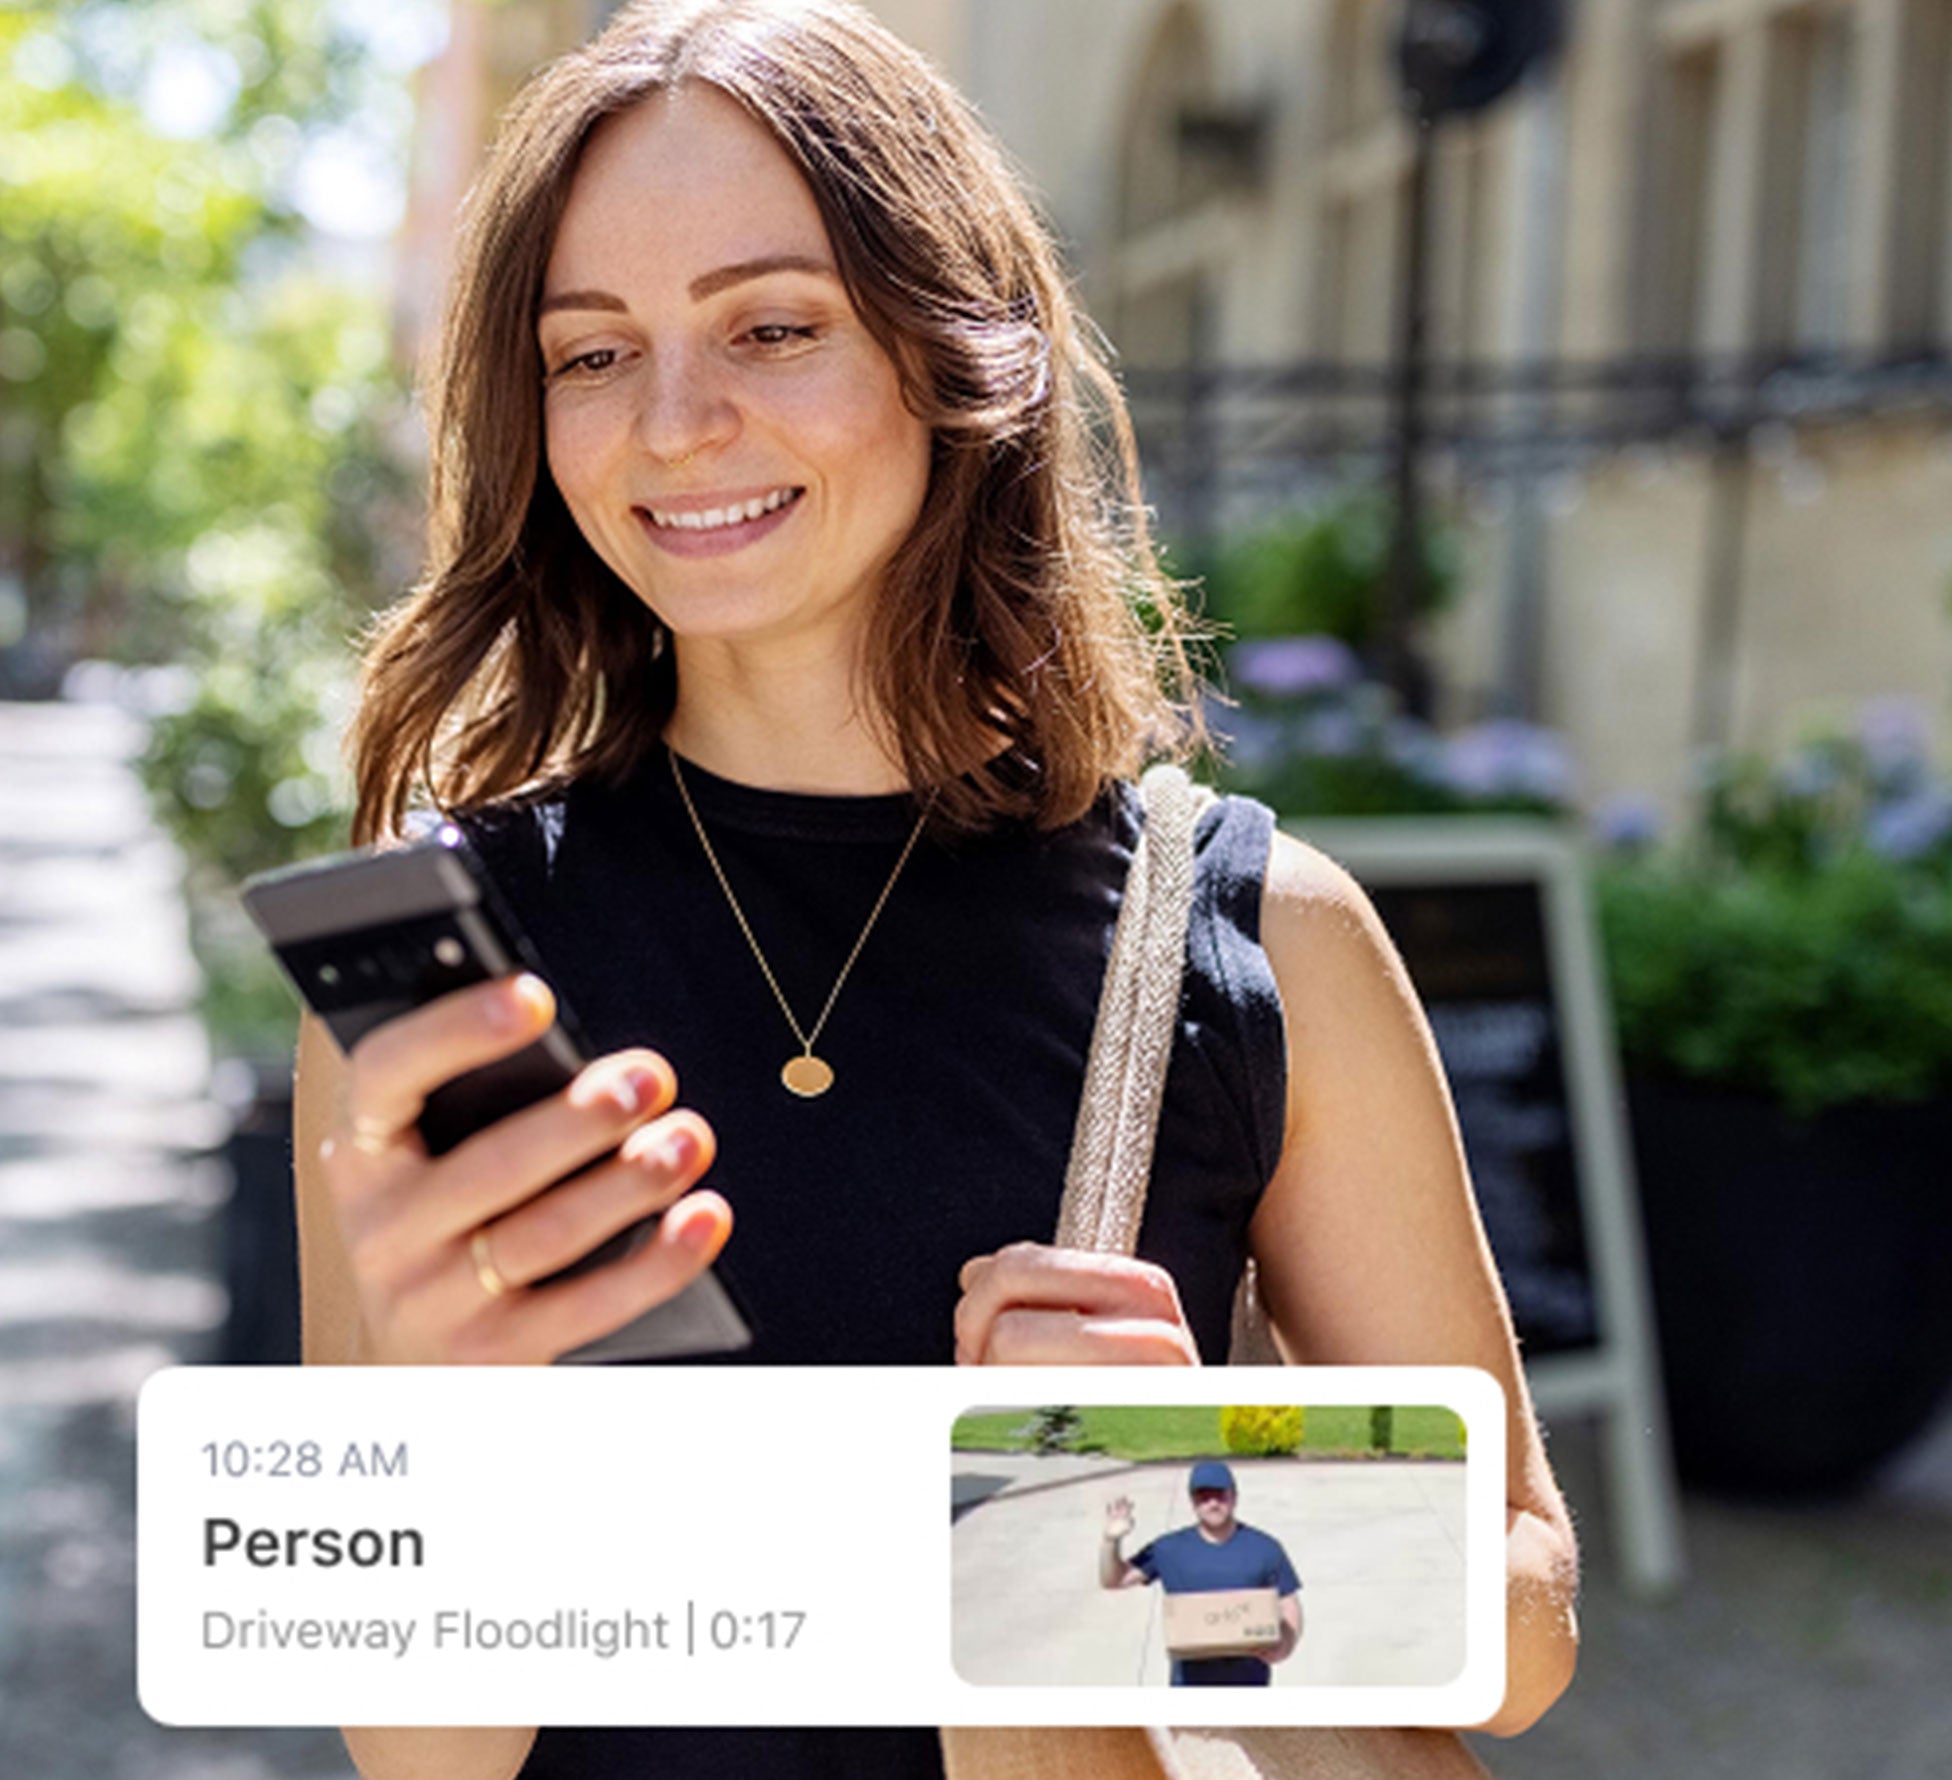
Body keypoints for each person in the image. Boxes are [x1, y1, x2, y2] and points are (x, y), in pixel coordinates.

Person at [290, 3, 1579, 1777]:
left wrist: (1196, 1482)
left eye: (772, 326)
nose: (674, 422)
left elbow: (1523, 1631)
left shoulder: (1256, 935)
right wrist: (449, 1440)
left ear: (951, 343)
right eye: (591, 353)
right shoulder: (445, 975)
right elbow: (415, 1757)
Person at [1100, 1461, 1304, 1687]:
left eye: (1220, 1495)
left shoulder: (1265, 1548)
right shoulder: (1169, 1549)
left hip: (1250, 1681)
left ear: (1234, 1497)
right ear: (1193, 1501)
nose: (1213, 1503)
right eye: (1204, 1496)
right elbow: (1114, 1579)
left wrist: (1286, 1645)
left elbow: (1289, 1605)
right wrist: (1111, 1541)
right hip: (1188, 1683)